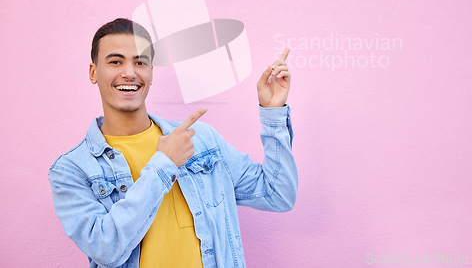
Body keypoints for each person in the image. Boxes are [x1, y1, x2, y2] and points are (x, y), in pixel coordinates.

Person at [48, 18, 298, 268]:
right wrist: (164, 164)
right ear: (93, 72)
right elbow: (106, 249)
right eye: (115, 61)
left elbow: (278, 195)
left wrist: (273, 114)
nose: (129, 72)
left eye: (140, 62)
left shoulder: (200, 139)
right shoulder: (72, 170)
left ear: (151, 72)